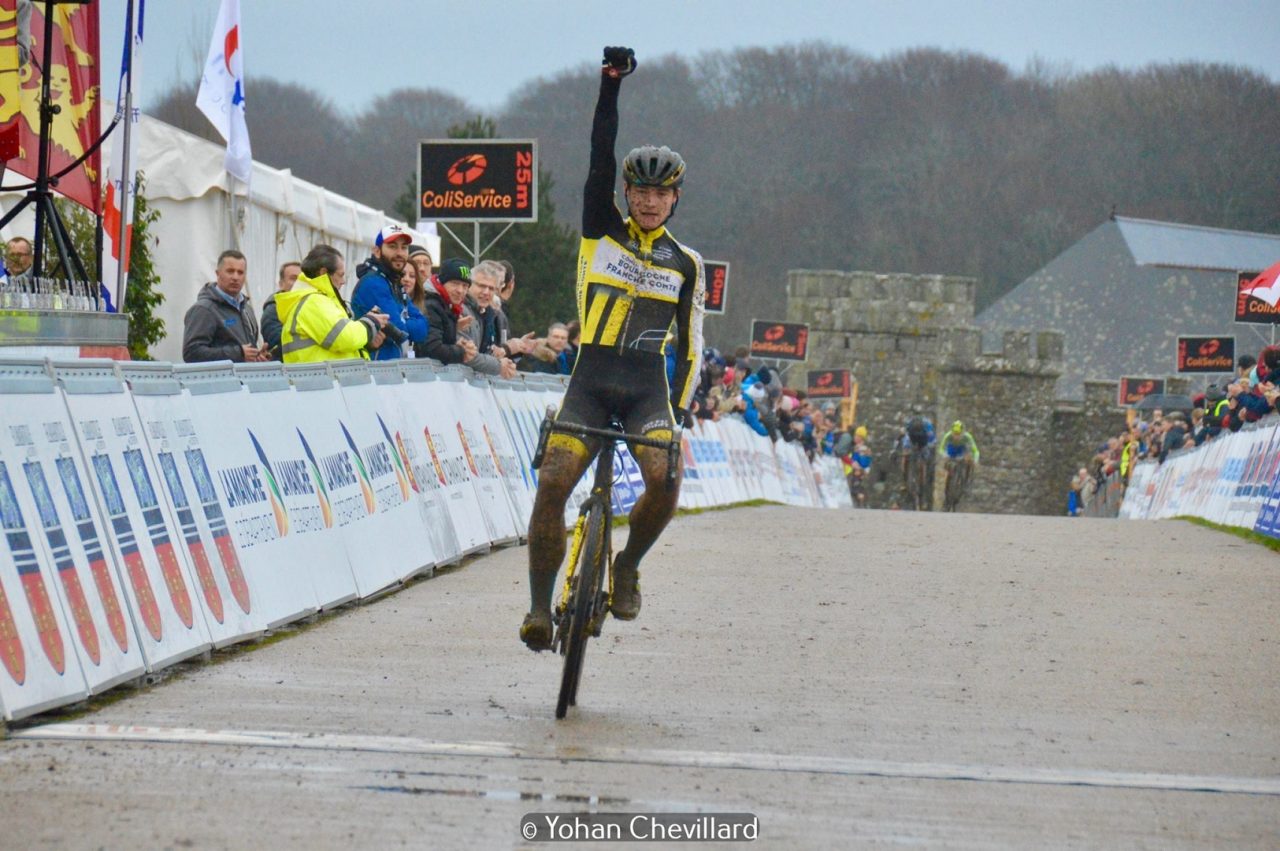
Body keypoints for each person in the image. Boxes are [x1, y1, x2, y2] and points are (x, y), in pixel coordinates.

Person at [521, 46, 705, 651]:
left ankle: (626, 566)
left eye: (661, 194)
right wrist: (610, 86)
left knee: (665, 478)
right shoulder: (600, 227)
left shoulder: (686, 263)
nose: (648, 201)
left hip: (648, 387)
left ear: (675, 198)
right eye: (639, 191)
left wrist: (676, 413)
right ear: (627, 193)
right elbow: (601, 152)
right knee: (553, 483)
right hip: (592, 381)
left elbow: (693, 343)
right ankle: (538, 609)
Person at [276, 244, 388, 362]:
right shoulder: (313, 302)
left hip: (320, 377)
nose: (343, 281)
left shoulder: (312, 300)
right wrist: (370, 323)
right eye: (340, 275)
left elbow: (336, 347)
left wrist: (365, 345)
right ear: (323, 273)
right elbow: (344, 338)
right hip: (321, 379)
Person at [351, 225, 428, 360]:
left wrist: (402, 321)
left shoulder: (394, 282)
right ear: (377, 251)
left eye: (403, 247)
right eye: (392, 246)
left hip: (391, 371)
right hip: (375, 371)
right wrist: (405, 321)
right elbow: (399, 332)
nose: (399, 253)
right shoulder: (374, 283)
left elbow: (423, 329)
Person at [182, 249, 264, 363]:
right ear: (218, 273)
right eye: (230, 271)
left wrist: (257, 356)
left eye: (240, 272)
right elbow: (192, 353)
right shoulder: (204, 310)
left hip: (245, 379)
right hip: (218, 380)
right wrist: (238, 353)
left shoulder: (247, 309)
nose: (235, 277)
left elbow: (247, 352)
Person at [459, 259, 518, 378]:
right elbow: (468, 356)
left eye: (491, 289)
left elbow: (481, 352)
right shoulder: (461, 310)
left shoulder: (485, 313)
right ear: (468, 285)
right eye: (481, 286)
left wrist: (503, 353)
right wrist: (499, 365)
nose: (486, 292)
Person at [417, 258, 479, 366]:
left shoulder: (448, 306)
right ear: (442, 282)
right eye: (455, 283)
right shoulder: (432, 305)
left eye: (465, 286)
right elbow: (432, 348)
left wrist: (458, 344)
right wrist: (461, 352)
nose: (460, 290)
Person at [260, 260, 300, 361]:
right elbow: (278, 342)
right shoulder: (272, 310)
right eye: (293, 278)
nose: (298, 283)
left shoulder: (308, 306)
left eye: (302, 279)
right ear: (281, 284)